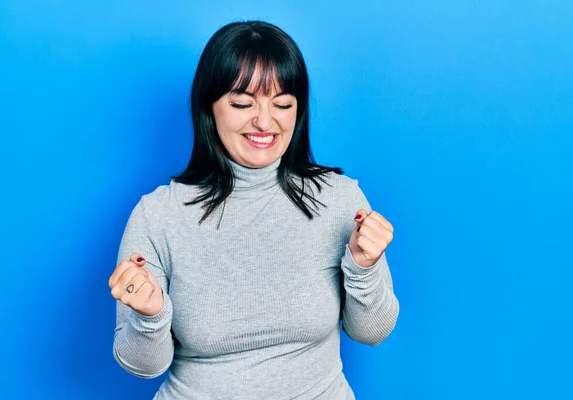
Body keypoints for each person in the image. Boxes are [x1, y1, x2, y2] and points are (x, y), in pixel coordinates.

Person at [108, 20, 400, 400]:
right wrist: (150, 317)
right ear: (209, 108)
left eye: (282, 104)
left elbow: (371, 332)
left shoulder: (339, 200)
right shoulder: (159, 215)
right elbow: (141, 367)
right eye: (242, 103)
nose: (265, 122)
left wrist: (364, 268)